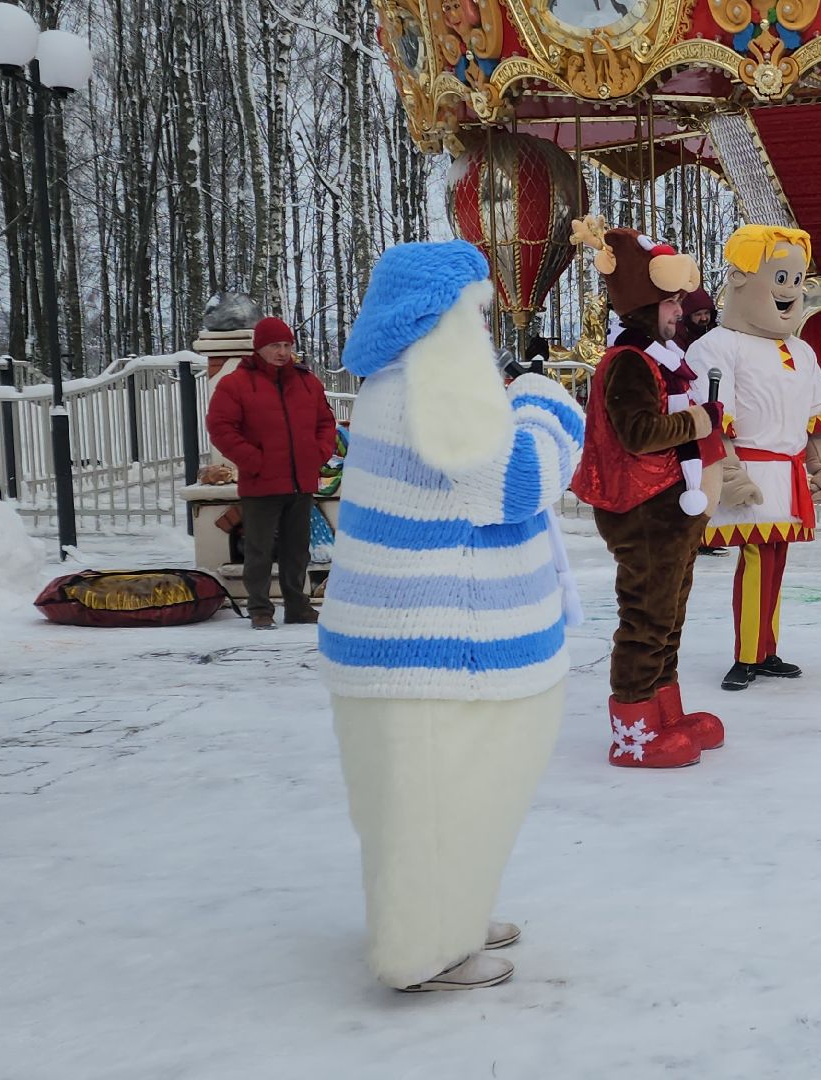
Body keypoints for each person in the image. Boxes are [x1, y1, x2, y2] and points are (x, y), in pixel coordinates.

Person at [318, 240, 585, 992]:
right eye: (475, 311)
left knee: (432, 800)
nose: (485, 328)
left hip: (406, 644)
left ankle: (449, 914)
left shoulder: (402, 380)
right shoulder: (434, 385)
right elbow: (515, 482)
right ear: (438, 316)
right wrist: (548, 403)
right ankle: (425, 945)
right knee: (439, 800)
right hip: (434, 650)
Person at [569, 216, 727, 768]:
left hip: (667, 504)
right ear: (646, 305)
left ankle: (664, 711)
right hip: (641, 507)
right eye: (671, 303)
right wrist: (700, 423)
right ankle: (633, 730)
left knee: (668, 614)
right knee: (645, 617)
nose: (679, 311)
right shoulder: (629, 364)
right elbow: (638, 434)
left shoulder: (659, 359)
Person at [686, 225, 821, 691]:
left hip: (788, 473)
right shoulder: (718, 346)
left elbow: (815, 420)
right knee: (755, 558)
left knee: (776, 561)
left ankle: (766, 648)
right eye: (780, 278)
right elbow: (715, 418)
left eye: (796, 280)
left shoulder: (800, 352)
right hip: (751, 469)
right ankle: (747, 653)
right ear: (741, 278)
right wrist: (729, 472)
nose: (790, 291)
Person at [204, 316, 338, 629]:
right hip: (260, 482)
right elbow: (221, 427)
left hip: (300, 481)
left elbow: (325, 422)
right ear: (259, 348)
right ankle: (260, 609)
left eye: (287, 345)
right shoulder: (235, 384)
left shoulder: (307, 382)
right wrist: (253, 460)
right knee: (259, 551)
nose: (281, 351)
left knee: (296, 551)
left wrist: (318, 453)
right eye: (274, 345)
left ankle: (297, 606)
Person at [676, 287, 717, 351]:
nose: (704, 318)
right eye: (698, 314)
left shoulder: (715, 332)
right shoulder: (679, 336)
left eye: (706, 313)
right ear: (688, 316)